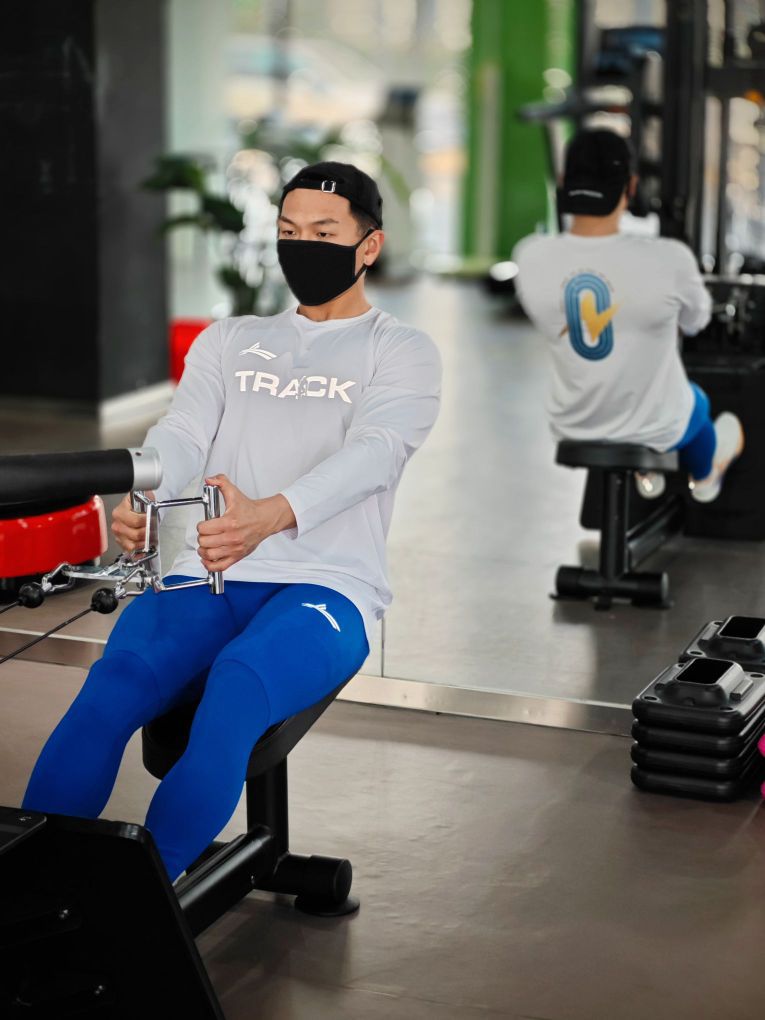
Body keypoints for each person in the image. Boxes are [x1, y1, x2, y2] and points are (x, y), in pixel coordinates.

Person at [22, 161, 442, 883]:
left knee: (238, 687)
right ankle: (28, 890)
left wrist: (269, 516)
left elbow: (376, 452)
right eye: (288, 231)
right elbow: (183, 432)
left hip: (329, 586)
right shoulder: (230, 338)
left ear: (368, 245)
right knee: (111, 687)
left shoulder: (399, 350)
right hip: (210, 573)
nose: (302, 246)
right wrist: (146, 494)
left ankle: (139, 907)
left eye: (324, 233)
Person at [513, 128, 743, 503]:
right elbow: (696, 322)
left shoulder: (529, 256)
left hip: (574, 423)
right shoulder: (670, 258)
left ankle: (645, 468)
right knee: (697, 402)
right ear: (631, 186)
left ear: (563, 181)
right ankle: (705, 478)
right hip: (655, 425)